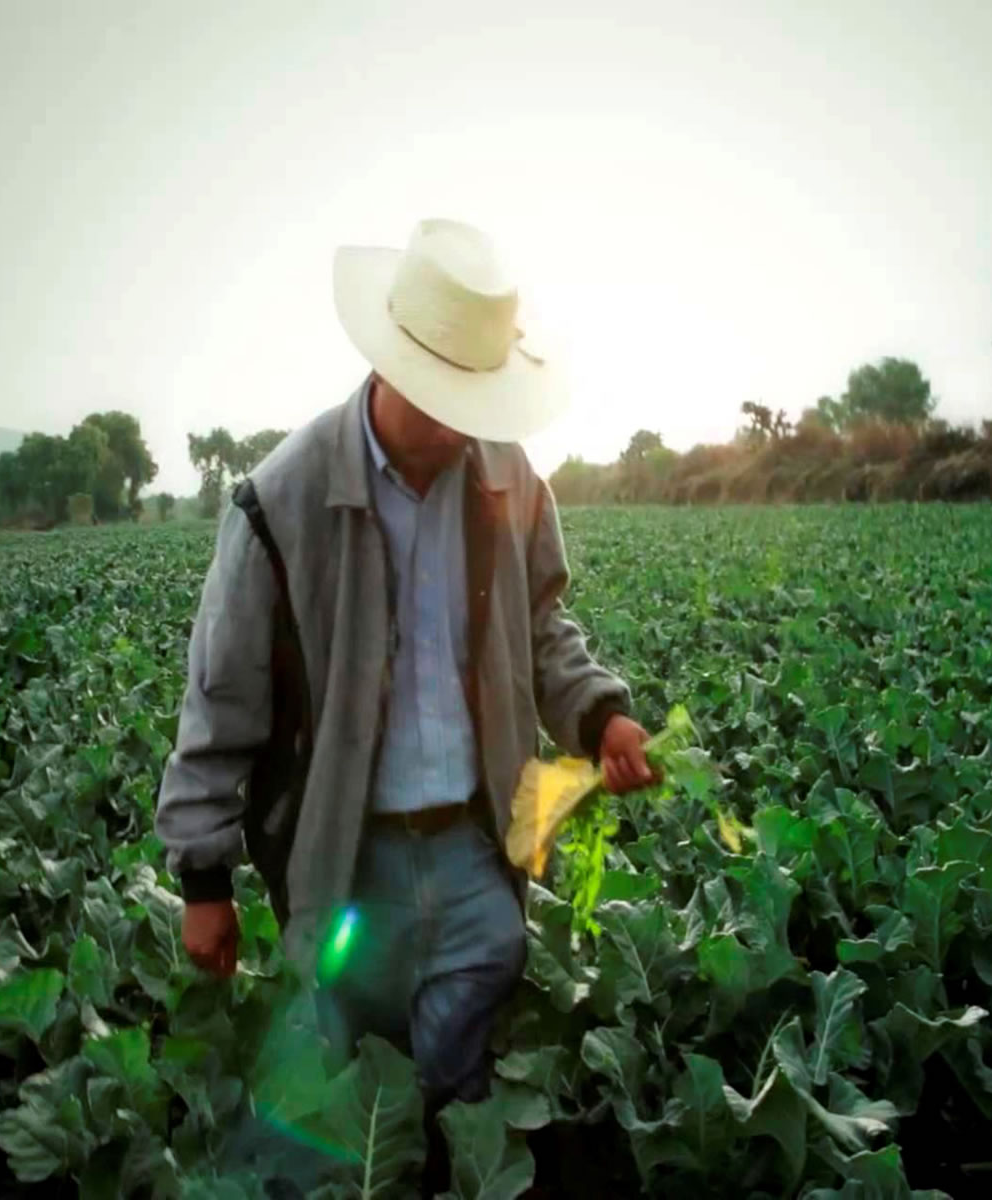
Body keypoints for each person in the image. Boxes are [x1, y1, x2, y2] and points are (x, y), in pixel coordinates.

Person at [154, 218, 654, 1193]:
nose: (466, 425)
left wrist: (601, 716)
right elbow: (221, 701)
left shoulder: (510, 479)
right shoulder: (281, 500)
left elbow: (544, 628)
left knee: (460, 1079)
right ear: (394, 372)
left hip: (473, 849)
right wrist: (203, 880)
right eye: (448, 403)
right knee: (336, 1082)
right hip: (346, 857)